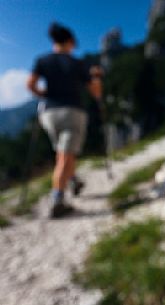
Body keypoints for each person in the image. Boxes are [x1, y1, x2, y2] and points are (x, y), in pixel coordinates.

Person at [27, 22, 103, 218]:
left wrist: (44, 93)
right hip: (72, 112)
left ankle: (73, 180)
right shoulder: (77, 64)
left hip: (48, 113)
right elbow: (95, 92)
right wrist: (95, 77)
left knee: (63, 152)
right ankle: (58, 199)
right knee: (65, 155)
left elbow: (30, 84)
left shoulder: (42, 60)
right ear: (69, 42)